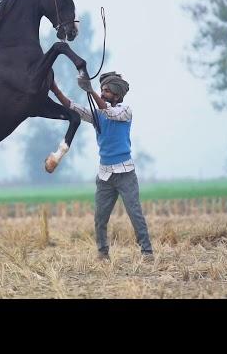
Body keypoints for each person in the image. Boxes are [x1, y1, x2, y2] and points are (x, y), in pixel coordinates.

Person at [50, 72, 154, 262]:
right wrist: (55, 89)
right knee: (100, 217)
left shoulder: (125, 111)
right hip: (105, 175)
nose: (103, 92)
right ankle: (103, 252)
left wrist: (89, 90)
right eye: (102, 90)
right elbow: (74, 107)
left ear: (117, 95)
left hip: (125, 173)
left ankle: (147, 252)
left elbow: (107, 110)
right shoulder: (97, 114)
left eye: (107, 90)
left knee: (134, 213)